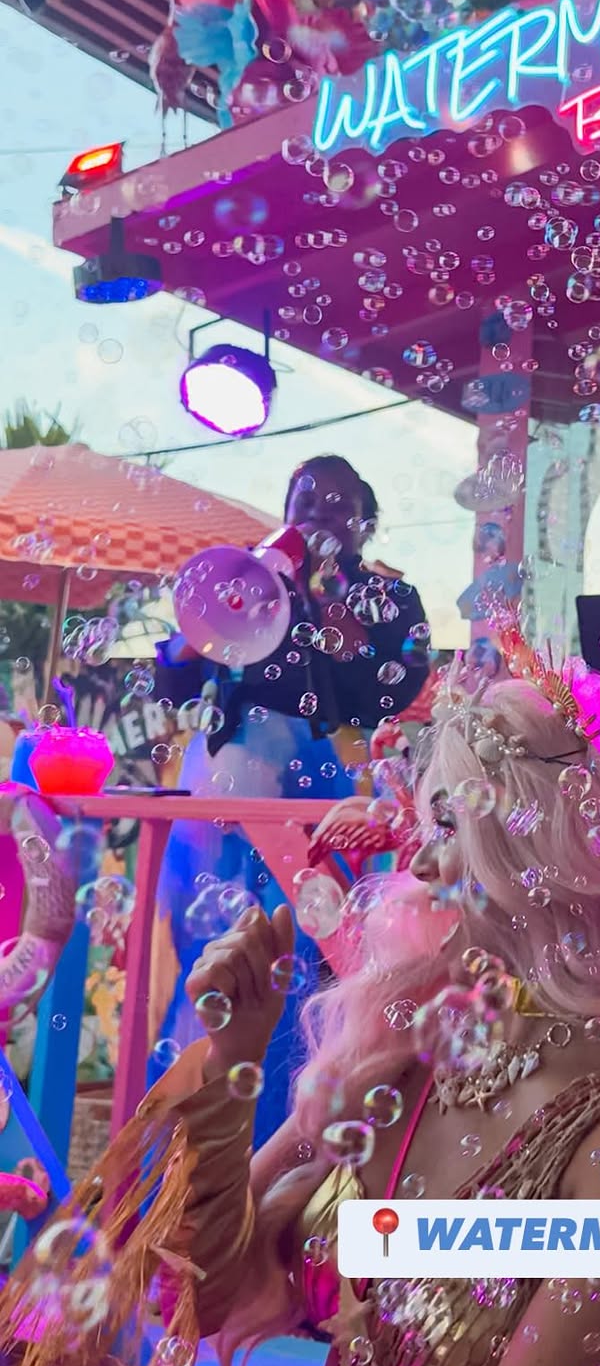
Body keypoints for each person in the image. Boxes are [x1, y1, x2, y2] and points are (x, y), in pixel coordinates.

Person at [0, 653, 600, 1366]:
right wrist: (236, 1061)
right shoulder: (410, 1060)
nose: (416, 861)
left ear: (540, 852)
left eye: (447, 824)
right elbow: (201, 1298)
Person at [150, 455, 429, 1142]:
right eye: (305, 503)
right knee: (212, 957)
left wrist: (337, 615)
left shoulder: (388, 598)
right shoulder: (243, 574)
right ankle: (186, 1140)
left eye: (338, 507)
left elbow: (386, 692)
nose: (318, 517)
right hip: (230, 794)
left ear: (365, 524)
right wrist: (210, 618)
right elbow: (172, 681)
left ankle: (283, 1135)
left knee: (307, 963)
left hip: (328, 798)